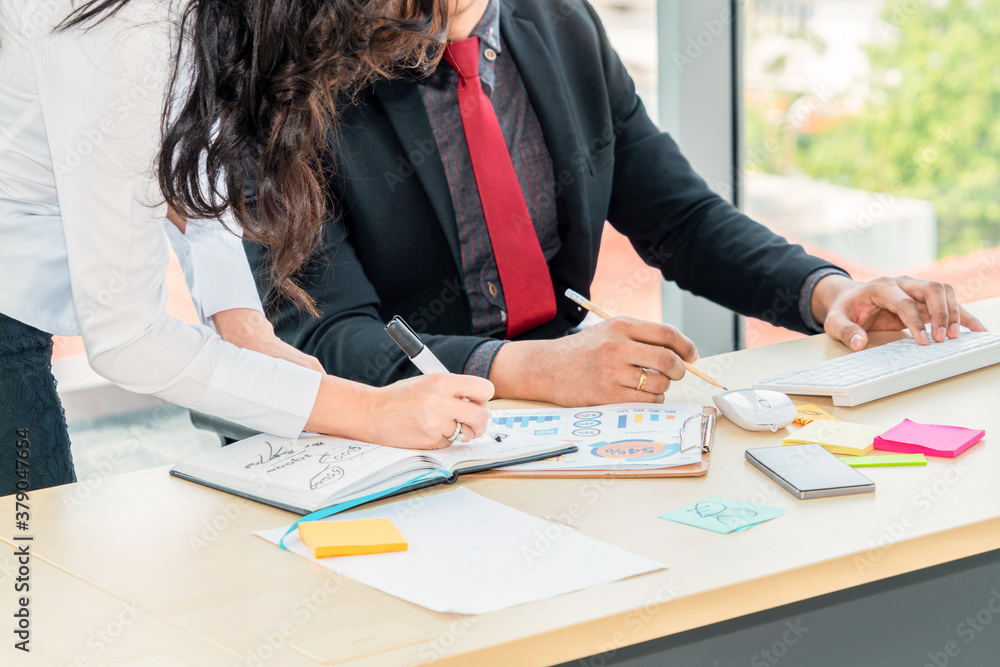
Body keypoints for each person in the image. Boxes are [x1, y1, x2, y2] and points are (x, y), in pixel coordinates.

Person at [247, 0, 986, 406]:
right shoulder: (288, 76)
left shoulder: (562, 25)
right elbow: (327, 339)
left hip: (569, 431)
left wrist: (829, 292)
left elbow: (681, 220)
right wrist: (527, 369)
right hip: (389, 436)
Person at [0, 0, 493, 495]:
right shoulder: (133, 35)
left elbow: (188, 162)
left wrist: (242, 325)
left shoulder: (198, 22)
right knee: (28, 551)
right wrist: (369, 411)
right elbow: (128, 339)